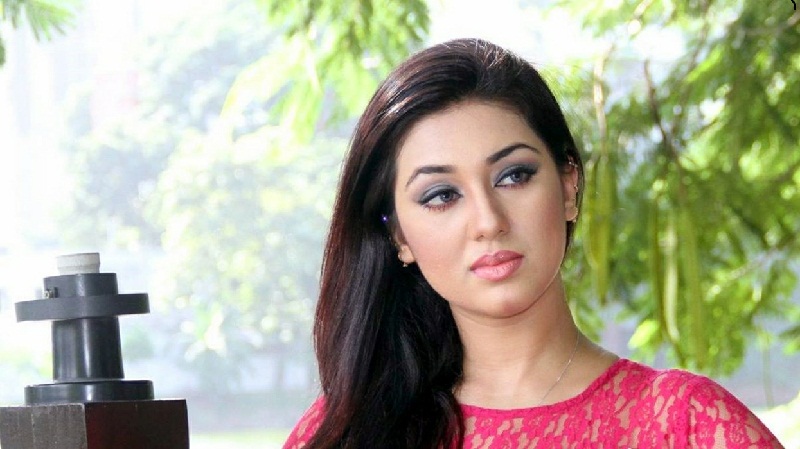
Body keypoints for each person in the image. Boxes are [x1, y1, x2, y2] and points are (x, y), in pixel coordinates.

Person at [282, 38, 783, 448]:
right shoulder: (344, 431)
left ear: (568, 186)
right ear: (398, 236)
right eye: (441, 195)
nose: (488, 221)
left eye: (513, 175)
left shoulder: (687, 426)